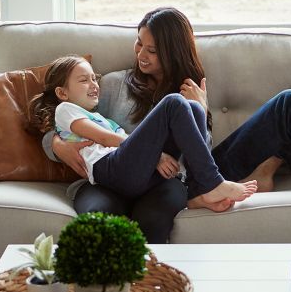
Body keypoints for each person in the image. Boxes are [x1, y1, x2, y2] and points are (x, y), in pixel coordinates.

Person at [44, 7, 228, 243]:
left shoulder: (189, 94)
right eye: (139, 43)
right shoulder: (112, 85)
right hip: (109, 180)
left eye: (152, 50)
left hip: (161, 183)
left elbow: (198, 155)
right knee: (97, 218)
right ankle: (104, 280)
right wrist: (56, 145)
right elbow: (63, 116)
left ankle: (153, 280)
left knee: (153, 220)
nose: (141, 54)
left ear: (173, 53)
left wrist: (201, 110)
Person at [32, 55, 256, 210]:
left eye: (94, 78)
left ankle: (200, 192)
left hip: (135, 174)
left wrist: (202, 111)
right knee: (174, 102)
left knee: (194, 107)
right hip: (110, 170)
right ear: (62, 92)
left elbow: (129, 143)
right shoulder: (66, 109)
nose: (94, 84)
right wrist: (154, 154)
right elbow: (104, 138)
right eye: (84, 80)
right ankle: (213, 182)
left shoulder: (103, 118)